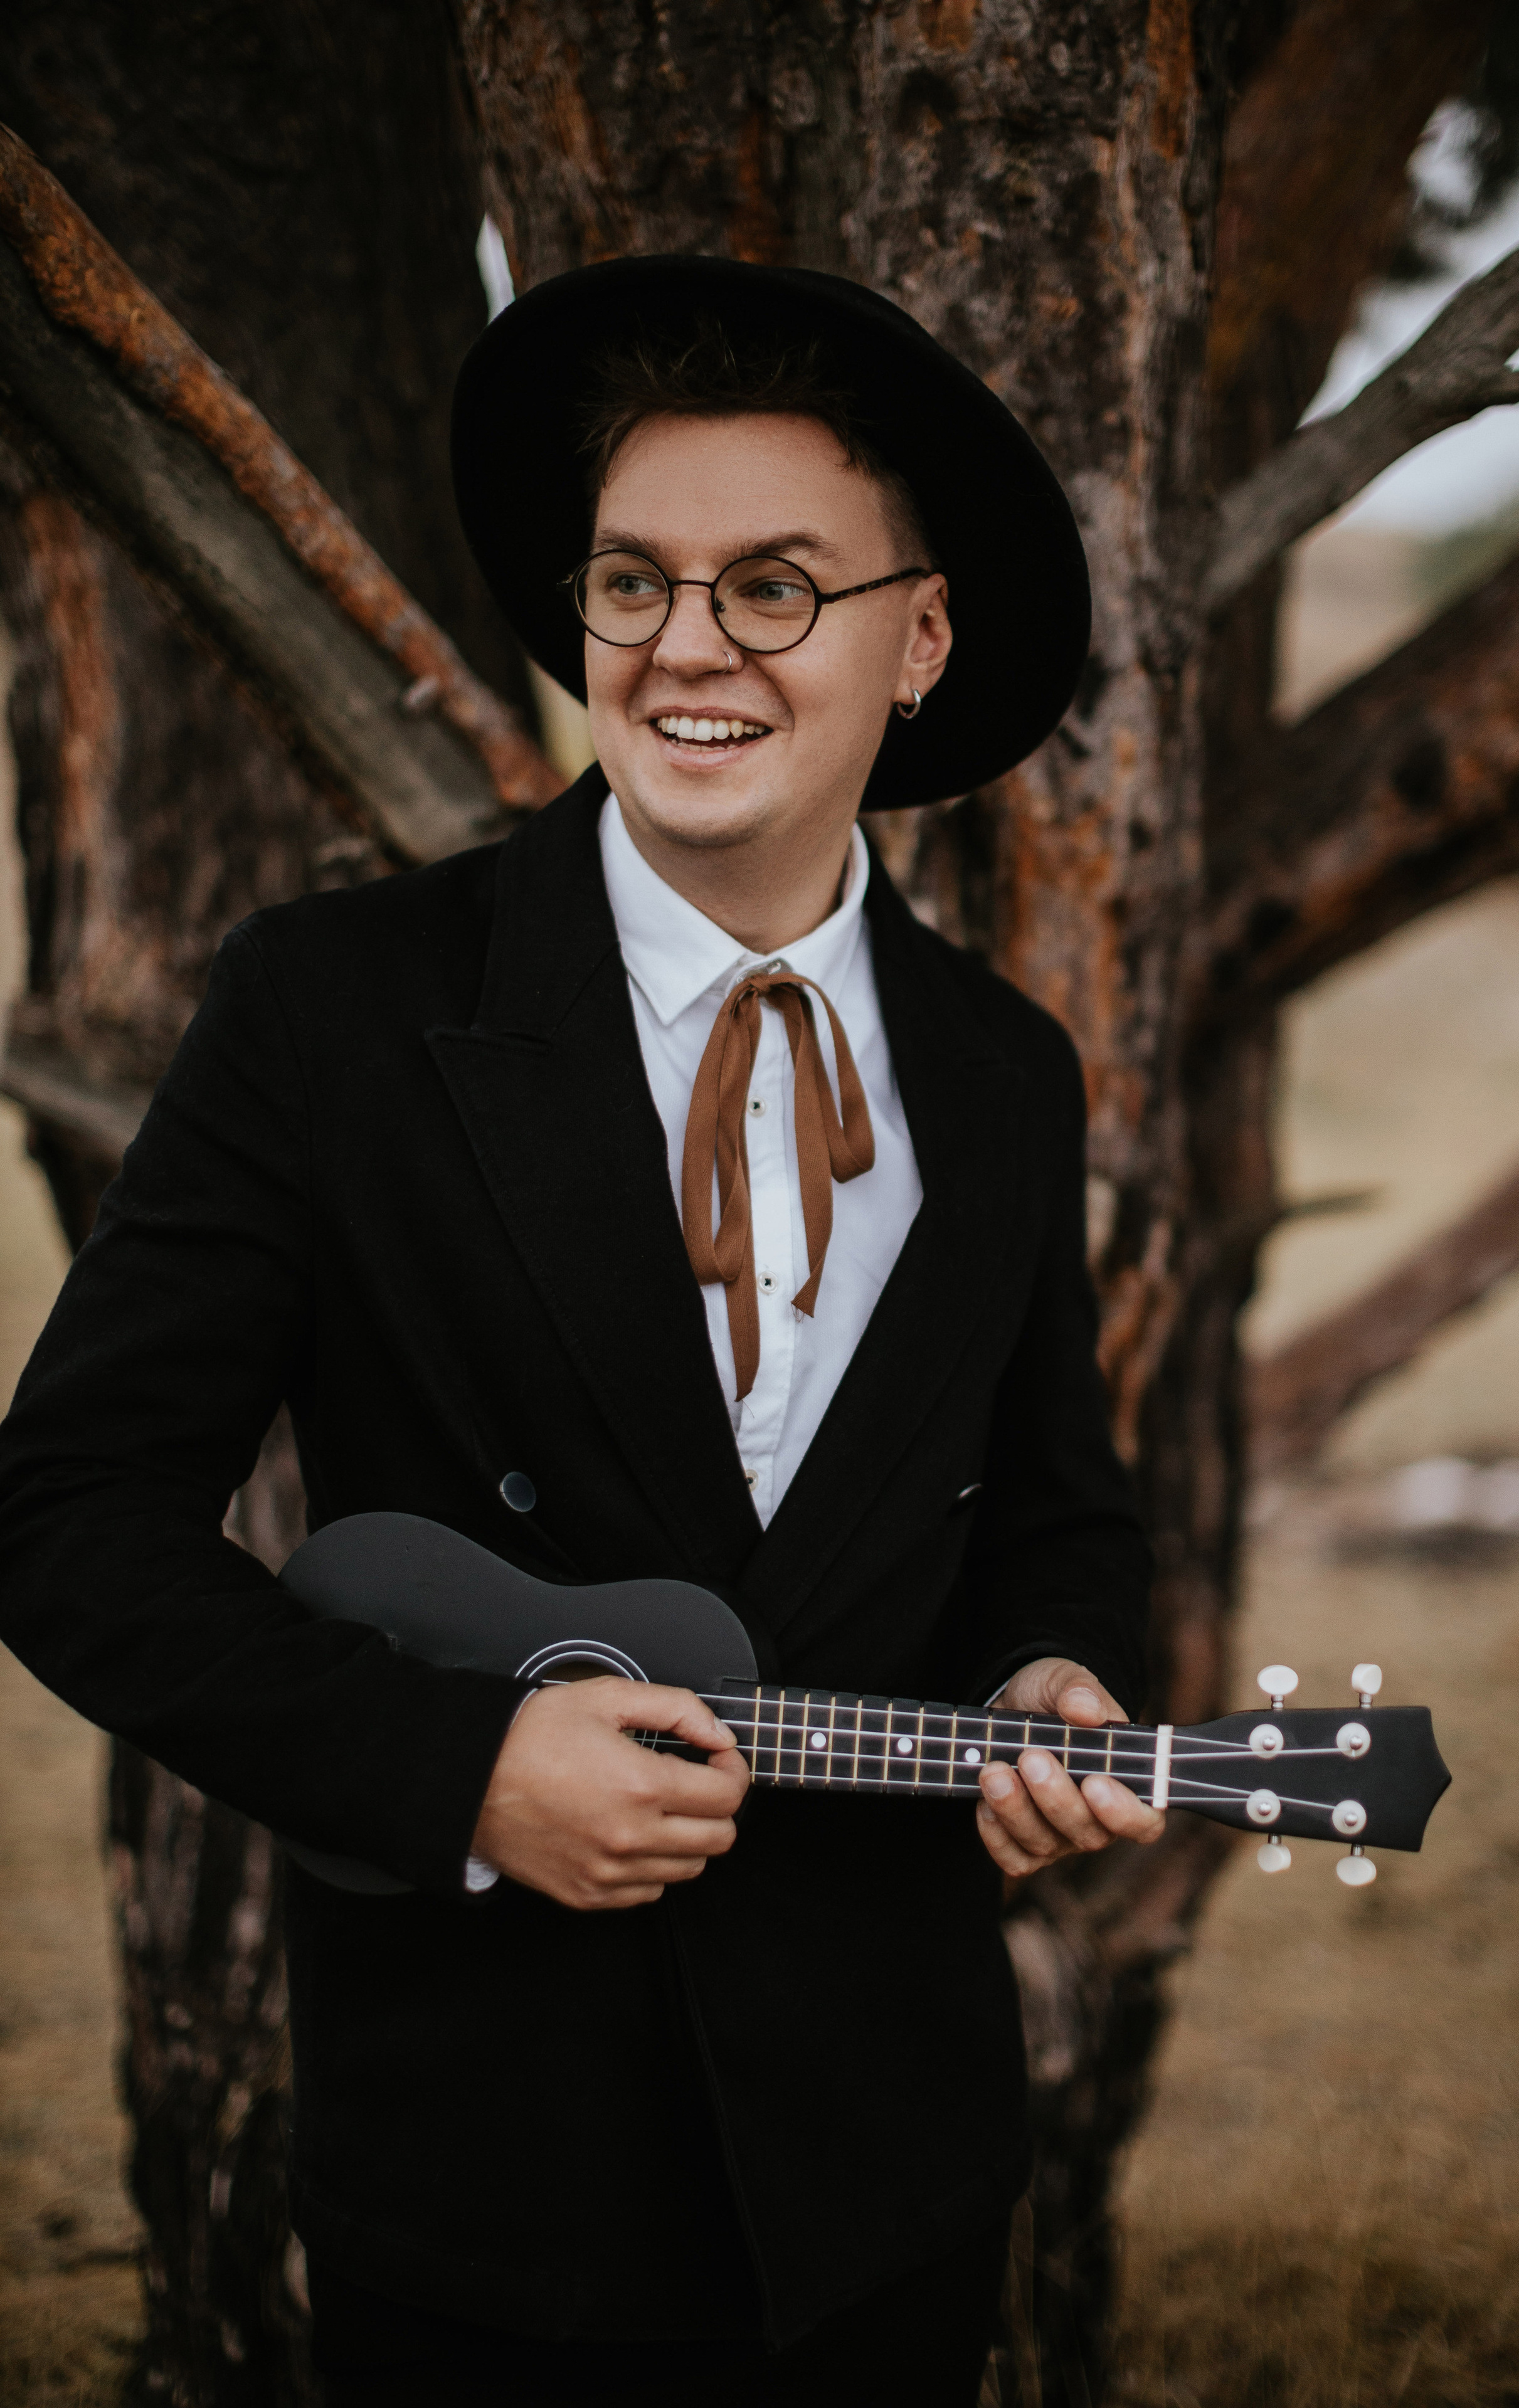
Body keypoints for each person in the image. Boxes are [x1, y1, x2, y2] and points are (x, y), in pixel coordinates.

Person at [0, 256, 1158, 2405]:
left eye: (774, 588)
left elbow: (1059, 1517)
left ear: (921, 639)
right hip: (487, 2168)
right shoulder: (337, 1008)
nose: (687, 647)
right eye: (638, 582)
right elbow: (68, 1514)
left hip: (886, 2166)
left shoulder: (1006, 1072)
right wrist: (455, 1768)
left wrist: (1057, 1671)